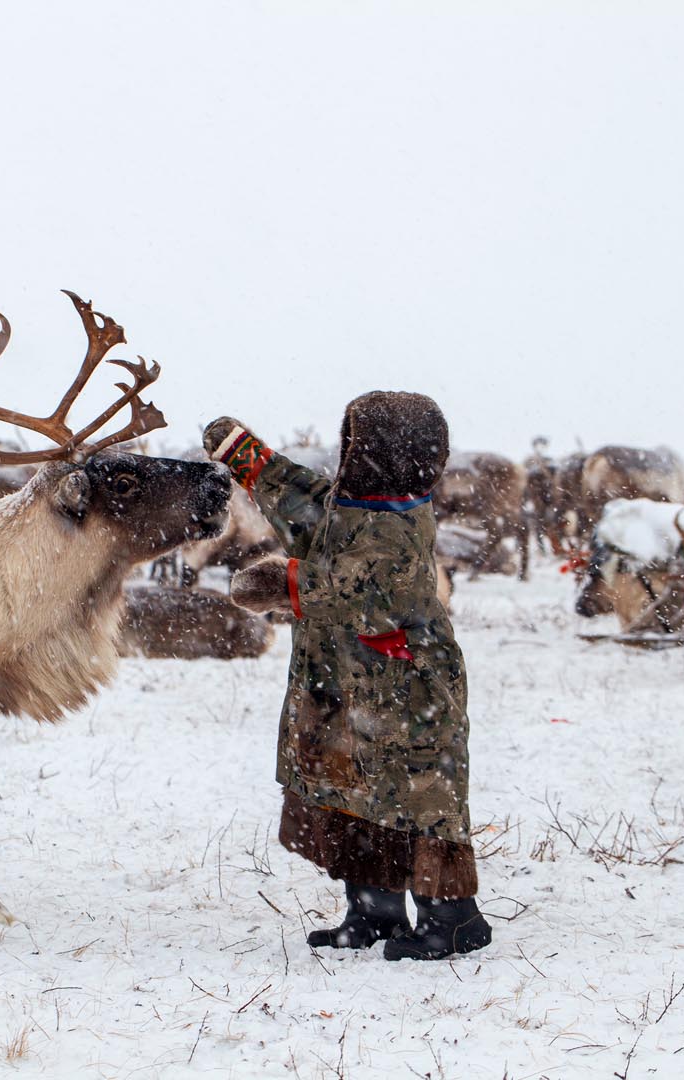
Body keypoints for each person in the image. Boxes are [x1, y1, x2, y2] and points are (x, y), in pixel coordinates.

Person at [204, 392, 491, 960]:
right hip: (341, 684)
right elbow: (301, 501)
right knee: (352, 792)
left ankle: (453, 918)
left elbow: (360, 589)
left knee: (418, 799)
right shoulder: (351, 505)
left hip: (406, 691)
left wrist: (282, 582)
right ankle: (373, 912)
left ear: (376, 452)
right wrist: (247, 457)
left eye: (356, 442)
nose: (347, 452)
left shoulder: (399, 525)